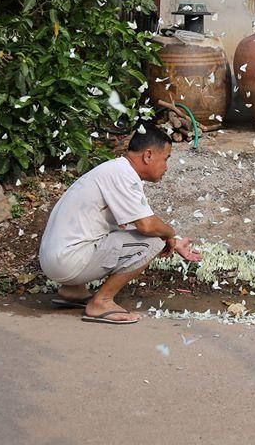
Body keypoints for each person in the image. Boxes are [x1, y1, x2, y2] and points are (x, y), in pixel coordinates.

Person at [39, 124, 200, 325]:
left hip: (56, 258)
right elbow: (147, 226)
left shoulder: (116, 170)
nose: (166, 167)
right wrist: (170, 234)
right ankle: (101, 302)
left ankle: (73, 291)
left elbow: (134, 225)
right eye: (166, 159)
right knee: (154, 243)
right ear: (148, 156)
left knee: (136, 235)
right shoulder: (123, 175)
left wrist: (173, 240)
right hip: (67, 260)